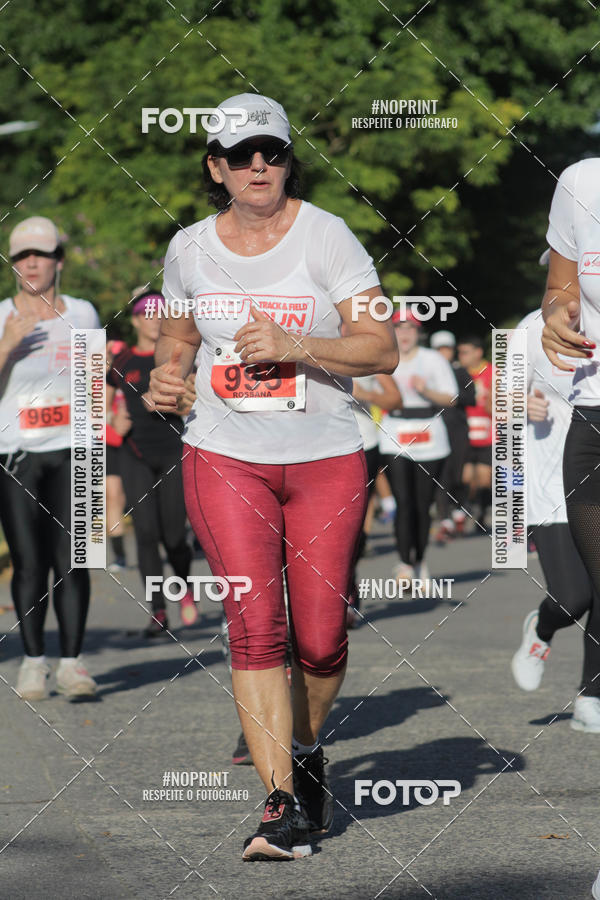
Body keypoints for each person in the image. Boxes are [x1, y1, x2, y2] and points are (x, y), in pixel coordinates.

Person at [148, 92, 398, 860]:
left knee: (320, 638)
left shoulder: (327, 238)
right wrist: (165, 378)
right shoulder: (189, 248)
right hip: (225, 456)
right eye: (245, 153)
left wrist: (296, 345)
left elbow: (381, 347)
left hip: (325, 455)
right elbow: (177, 338)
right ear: (217, 167)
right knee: (256, 628)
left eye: (276, 152)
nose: (262, 164)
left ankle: (307, 744)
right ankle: (279, 802)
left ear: (289, 161)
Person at [0, 216, 98, 700]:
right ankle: (33, 663)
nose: (31, 263)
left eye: (39, 254)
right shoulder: (0, 316)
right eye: (21, 256)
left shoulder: (82, 312)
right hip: (17, 455)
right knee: (29, 563)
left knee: (76, 562)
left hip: (76, 452)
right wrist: (6, 348)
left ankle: (73, 665)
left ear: (58, 260)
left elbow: (94, 386)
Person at [511, 308, 600, 731]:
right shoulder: (531, 328)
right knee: (573, 597)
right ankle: (542, 627)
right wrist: (517, 402)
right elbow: (490, 398)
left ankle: (591, 697)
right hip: (550, 486)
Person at [541, 156, 600, 730]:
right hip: (593, 411)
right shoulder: (581, 181)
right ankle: (592, 689)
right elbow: (558, 289)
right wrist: (558, 314)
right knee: (589, 583)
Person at [106, 290, 197, 637]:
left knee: (174, 536)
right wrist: (113, 427)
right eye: (146, 311)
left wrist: (165, 403)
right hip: (135, 456)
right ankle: (158, 610)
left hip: (173, 452)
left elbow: (193, 404)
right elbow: (98, 404)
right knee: (145, 534)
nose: (154, 317)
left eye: (161, 311)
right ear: (134, 319)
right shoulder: (121, 360)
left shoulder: (179, 355)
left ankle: (185, 587)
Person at [379, 309, 458, 582]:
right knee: (403, 501)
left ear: (419, 333)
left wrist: (426, 391)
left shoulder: (433, 359)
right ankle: (403, 563)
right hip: (394, 431)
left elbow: (451, 398)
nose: (405, 333)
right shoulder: (383, 358)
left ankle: (420, 561)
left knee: (422, 503)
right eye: (399, 327)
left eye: (410, 328)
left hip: (428, 431)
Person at [347, 374, 403, 626]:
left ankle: (348, 589)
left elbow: (395, 399)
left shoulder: (364, 343)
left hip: (363, 443)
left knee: (354, 521)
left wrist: (366, 395)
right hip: (313, 445)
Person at [430, 330, 475, 542]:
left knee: (458, 474)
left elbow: (471, 398)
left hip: (458, 429)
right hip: (436, 429)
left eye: (446, 348)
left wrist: (451, 398)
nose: (443, 353)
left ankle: (459, 509)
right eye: (439, 349)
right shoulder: (428, 371)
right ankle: (445, 520)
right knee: (441, 475)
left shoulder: (461, 372)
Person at [457, 335, 493, 532]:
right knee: (466, 478)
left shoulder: (493, 372)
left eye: (465, 352)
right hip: (465, 433)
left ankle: (481, 513)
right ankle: (467, 507)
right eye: (460, 352)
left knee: (484, 477)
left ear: (478, 352)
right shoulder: (458, 374)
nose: (461, 356)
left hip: (487, 433)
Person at [105, 338, 129, 571]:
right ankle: (119, 556)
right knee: (113, 496)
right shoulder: (97, 381)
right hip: (109, 444)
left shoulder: (133, 375)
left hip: (134, 443)